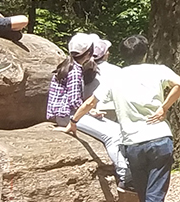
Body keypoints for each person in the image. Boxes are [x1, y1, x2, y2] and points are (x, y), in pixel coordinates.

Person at [71, 35, 180, 202]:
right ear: (145, 52)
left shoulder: (116, 77)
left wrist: (73, 121)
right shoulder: (157, 70)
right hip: (158, 138)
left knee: (146, 196)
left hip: (132, 143)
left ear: (123, 55)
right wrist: (164, 108)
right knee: (155, 196)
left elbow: (90, 103)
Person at [51, 33, 125, 184]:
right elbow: (73, 101)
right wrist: (89, 111)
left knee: (118, 130)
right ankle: (124, 174)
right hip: (67, 115)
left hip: (68, 113)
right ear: (90, 52)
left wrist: (90, 111)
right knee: (113, 136)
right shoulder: (75, 71)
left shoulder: (69, 65)